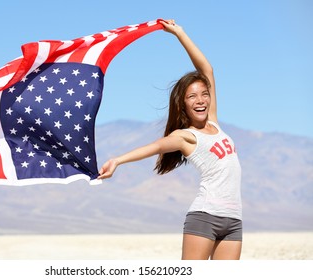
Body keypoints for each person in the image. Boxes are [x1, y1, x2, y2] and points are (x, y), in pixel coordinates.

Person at [97, 19, 243, 260]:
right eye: (192, 96)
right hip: (205, 217)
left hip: (234, 220)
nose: (201, 100)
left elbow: (207, 70)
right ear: (183, 105)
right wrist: (117, 160)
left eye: (204, 94)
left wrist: (180, 34)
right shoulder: (186, 137)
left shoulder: (214, 122)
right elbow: (155, 146)